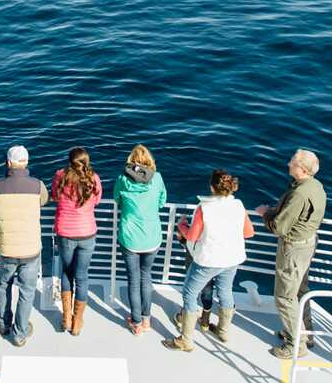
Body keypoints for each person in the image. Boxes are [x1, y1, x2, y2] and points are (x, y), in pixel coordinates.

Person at [163, 169, 255, 352]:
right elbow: (248, 232)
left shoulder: (204, 208)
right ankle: (223, 331)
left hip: (209, 260)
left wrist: (181, 225)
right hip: (232, 258)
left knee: (189, 293)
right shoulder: (238, 205)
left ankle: (186, 340)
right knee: (225, 291)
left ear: (212, 187)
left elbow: (192, 236)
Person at [256, 149, 326, 359]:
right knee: (297, 291)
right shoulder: (316, 186)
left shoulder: (299, 193)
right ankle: (298, 332)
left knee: (285, 297)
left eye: (292, 162)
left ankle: (297, 344)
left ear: (302, 170)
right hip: (307, 245)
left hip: (293, 250)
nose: (288, 164)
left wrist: (265, 213)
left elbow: (279, 227)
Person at [0, 145, 49, 347]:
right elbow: (44, 201)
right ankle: (20, 333)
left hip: (7, 248)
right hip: (31, 249)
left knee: (4, 285)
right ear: (27, 162)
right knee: (27, 292)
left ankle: (3, 323)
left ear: (8, 163)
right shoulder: (37, 185)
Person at [113, 144, 167, 335]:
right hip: (152, 237)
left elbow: (116, 199)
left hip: (129, 238)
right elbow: (162, 202)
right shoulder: (157, 178)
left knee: (133, 280)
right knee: (146, 277)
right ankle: (146, 319)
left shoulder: (122, 178)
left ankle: (136, 323)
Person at [52, 147, 102, 336]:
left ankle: (65, 317)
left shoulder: (60, 175)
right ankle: (77, 322)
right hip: (87, 233)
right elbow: (97, 201)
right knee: (82, 276)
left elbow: (55, 196)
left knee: (67, 272)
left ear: (69, 160)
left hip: (65, 232)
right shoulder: (93, 178)